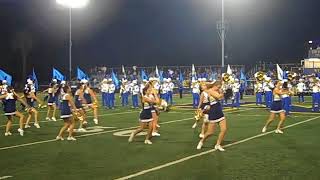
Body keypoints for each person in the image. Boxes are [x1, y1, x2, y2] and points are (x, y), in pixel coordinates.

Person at [196, 81, 227, 151]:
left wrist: (223, 90)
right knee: (210, 132)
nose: (219, 88)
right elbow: (219, 97)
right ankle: (201, 141)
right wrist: (222, 92)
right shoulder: (210, 91)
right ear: (215, 86)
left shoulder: (217, 90)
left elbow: (221, 97)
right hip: (213, 112)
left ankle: (218, 145)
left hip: (219, 111)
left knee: (224, 130)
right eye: (219, 87)